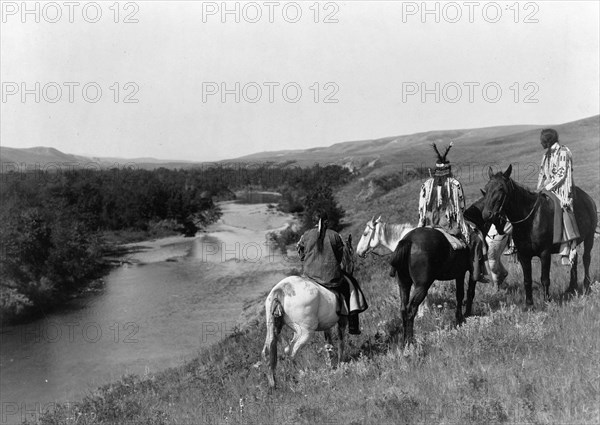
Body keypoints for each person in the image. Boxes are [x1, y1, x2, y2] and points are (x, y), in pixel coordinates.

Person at [296, 211, 364, 335]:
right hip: (329, 278)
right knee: (351, 287)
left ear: (314, 222)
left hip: (309, 276)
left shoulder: (305, 235)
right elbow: (339, 258)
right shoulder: (334, 235)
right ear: (326, 222)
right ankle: (353, 326)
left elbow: (301, 255)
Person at [536, 128, 579, 265]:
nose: (540, 143)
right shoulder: (546, 155)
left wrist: (547, 187)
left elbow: (561, 174)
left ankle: (567, 248)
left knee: (562, 208)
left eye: (542, 140)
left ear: (547, 141)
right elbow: (542, 173)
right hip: (548, 189)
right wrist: (539, 189)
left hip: (562, 189)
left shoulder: (563, 152)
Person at [417, 142, 470, 244]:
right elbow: (462, 207)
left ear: (436, 170)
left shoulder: (426, 184)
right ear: (448, 169)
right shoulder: (455, 184)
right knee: (471, 239)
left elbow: (421, 207)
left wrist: (422, 221)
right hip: (447, 221)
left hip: (429, 219)